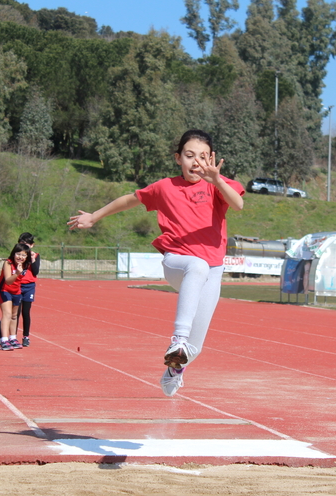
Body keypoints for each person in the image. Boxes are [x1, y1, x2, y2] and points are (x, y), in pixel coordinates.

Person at [69, 129, 244, 398]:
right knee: (195, 266)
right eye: (189, 155)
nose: (196, 162)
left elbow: (239, 204)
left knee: (195, 348)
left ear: (212, 158)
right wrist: (95, 216)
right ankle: (177, 339)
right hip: (178, 262)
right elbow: (129, 199)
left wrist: (218, 181)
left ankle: (174, 369)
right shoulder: (164, 187)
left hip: (214, 269)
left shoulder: (217, 184)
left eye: (203, 156)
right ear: (177, 158)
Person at [0, 244, 31, 351]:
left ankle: (13, 338)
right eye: (18, 254)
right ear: (13, 253)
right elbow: (7, 281)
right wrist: (17, 273)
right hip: (4, 289)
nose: (20, 257)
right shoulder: (8, 263)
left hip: (16, 291)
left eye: (23, 255)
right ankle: (4, 339)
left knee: (14, 315)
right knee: (7, 314)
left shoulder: (25, 264)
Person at [17, 232, 40, 347]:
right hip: (17, 285)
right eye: (22, 244)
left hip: (29, 287)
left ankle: (26, 336)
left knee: (25, 312)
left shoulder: (35, 256)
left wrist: (32, 259)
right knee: (15, 312)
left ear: (32, 245)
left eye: (27, 245)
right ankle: (12, 336)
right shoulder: (17, 256)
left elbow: (35, 271)